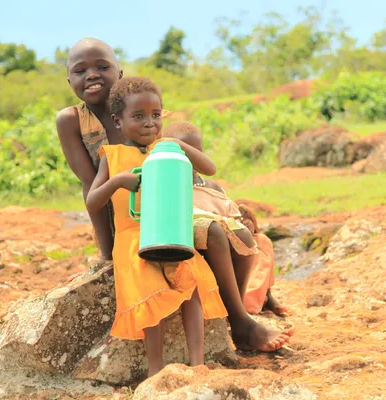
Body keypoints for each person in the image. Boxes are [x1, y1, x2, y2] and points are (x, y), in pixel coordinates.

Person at [56, 38, 293, 352]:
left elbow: (179, 163)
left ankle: (241, 315)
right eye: (80, 69)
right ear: (69, 79)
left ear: (120, 72)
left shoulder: (140, 107)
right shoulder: (72, 120)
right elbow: (91, 186)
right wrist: (107, 252)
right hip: (125, 219)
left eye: (103, 66)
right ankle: (240, 320)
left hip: (165, 208)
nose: (92, 75)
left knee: (236, 235)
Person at [85, 76, 227, 376]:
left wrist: (176, 143)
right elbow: (93, 201)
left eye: (156, 115)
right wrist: (117, 182)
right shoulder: (111, 157)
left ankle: (197, 363)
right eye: (138, 116)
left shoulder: (168, 149)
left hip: (171, 231)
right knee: (148, 290)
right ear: (117, 121)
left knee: (191, 283)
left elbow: (210, 168)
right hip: (133, 238)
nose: (150, 123)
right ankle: (155, 370)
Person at [162, 122, 287, 316]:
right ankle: (237, 305)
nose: (193, 160)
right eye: (186, 153)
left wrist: (247, 223)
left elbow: (232, 216)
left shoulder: (213, 186)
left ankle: (264, 296)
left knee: (262, 242)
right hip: (212, 249)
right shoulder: (173, 185)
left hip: (236, 243)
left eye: (198, 153)